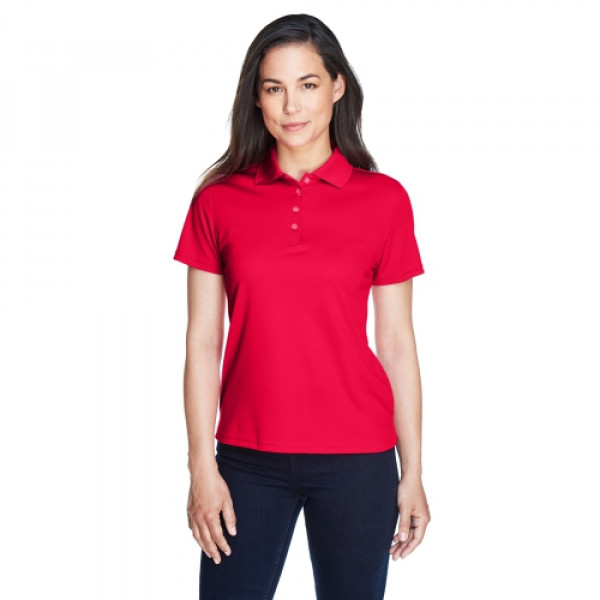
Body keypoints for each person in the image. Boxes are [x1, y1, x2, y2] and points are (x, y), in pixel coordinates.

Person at [172, 13, 431, 600]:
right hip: (246, 460)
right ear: (256, 98)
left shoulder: (385, 200)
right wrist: (201, 467)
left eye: (307, 84)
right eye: (274, 88)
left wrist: (413, 470)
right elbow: (202, 342)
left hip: (359, 459)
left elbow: (396, 343)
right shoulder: (217, 201)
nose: (292, 105)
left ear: (337, 87)